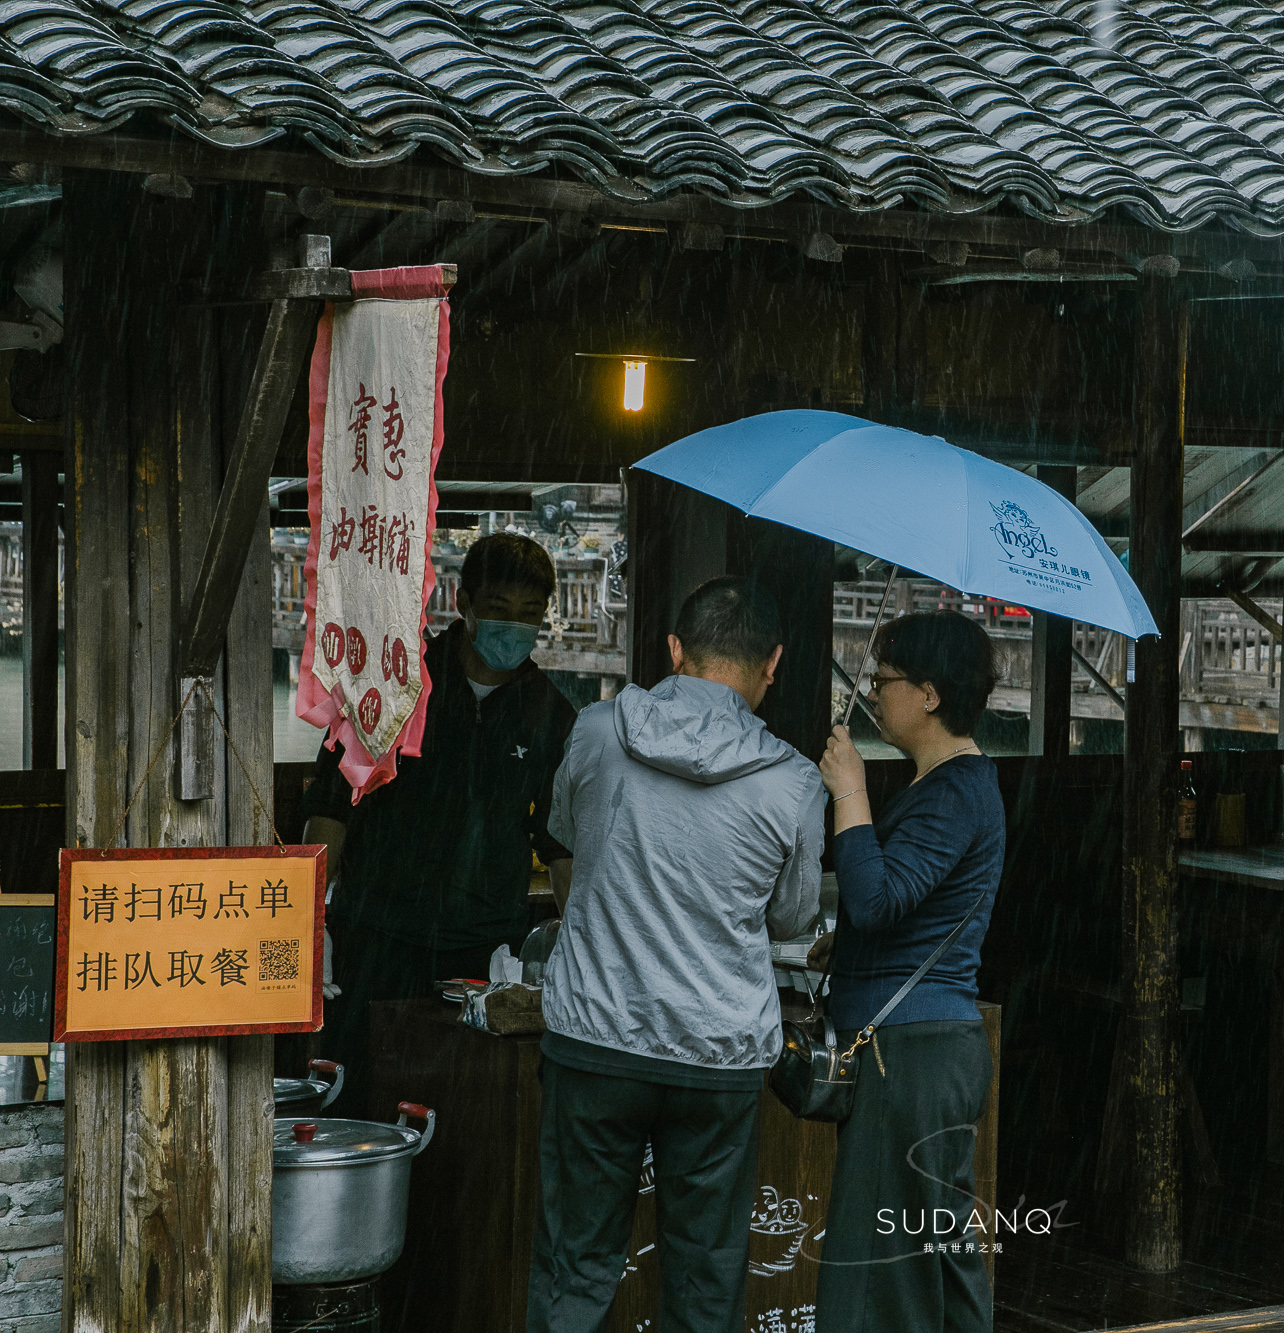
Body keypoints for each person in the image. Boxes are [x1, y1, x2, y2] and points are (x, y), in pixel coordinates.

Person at [529, 576, 825, 1333]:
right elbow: (792, 916)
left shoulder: (597, 730)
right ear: (773, 663)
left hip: (594, 1040)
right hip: (717, 1056)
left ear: (673, 649)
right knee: (705, 1278)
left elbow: (568, 833)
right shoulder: (795, 780)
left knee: (574, 1267)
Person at [304, 532, 576, 1112]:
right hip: (375, 935)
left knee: (465, 1108)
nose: (514, 627)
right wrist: (311, 918)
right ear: (464, 602)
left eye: (530, 614)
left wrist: (582, 940)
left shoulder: (550, 713)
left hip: (483, 948)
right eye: (500, 608)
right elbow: (331, 806)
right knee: (356, 1097)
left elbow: (560, 843)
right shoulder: (395, 683)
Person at [812, 611, 1005, 1333]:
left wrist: (849, 791)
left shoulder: (955, 790)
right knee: (933, 1253)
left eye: (883, 679)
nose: (871, 692)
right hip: (923, 1048)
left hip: (912, 1054)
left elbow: (876, 899)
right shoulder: (949, 785)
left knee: (883, 1271)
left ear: (929, 694)